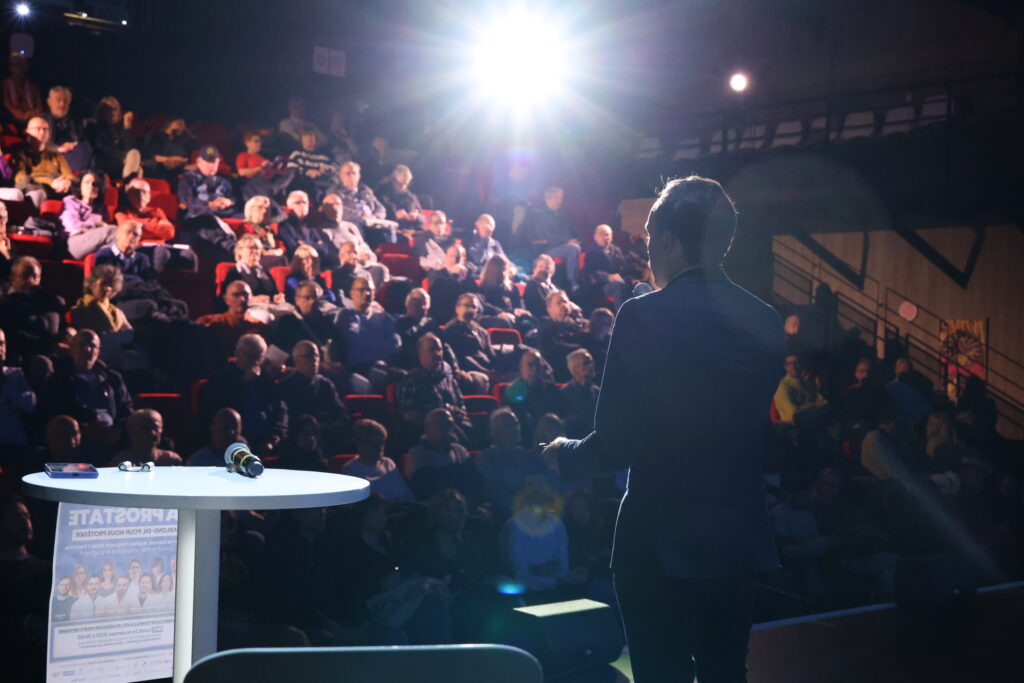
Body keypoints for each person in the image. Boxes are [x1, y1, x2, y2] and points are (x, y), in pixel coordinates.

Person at [542, 175, 785, 683]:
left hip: (661, 538)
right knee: (725, 673)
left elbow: (617, 444)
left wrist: (563, 453)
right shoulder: (764, 320)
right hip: (736, 535)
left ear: (670, 241)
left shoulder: (642, 315)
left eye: (651, 239)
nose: (649, 252)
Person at [198, 334, 287, 456]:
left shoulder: (265, 379)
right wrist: (243, 383)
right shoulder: (221, 377)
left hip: (264, 440)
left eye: (258, 357)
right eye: (250, 356)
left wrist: (275, 437)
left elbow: (281, 411)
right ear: (237, 352)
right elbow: (217, 408)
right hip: (232, 439)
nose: (254, 362)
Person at [396, 333, 470, 429]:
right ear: (420, 354)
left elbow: (461, 404)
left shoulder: (448, 377)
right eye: (431, 350)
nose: (437, 353)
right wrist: (439, 420)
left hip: (455, 427)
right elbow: (409, 415)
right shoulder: (411, 380)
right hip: (427, 431)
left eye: (439, 349)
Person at [0, 256, 64, 363]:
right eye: (25, 276)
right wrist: (49, 347)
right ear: (12, 279)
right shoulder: (4, 305)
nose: (30, 281)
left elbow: (61, 328)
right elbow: (14, 339)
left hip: (55, 354)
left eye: (34, 276)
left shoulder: (53, 302)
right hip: (23, 358)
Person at [195, 280, 269, 361]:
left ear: (251, 298)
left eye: (245, 295)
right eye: (236, 295)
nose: (242, 299)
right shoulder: (210, 322)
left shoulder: (259, 326)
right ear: (226, 299)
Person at [523, 186, 581, 289]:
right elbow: (545, 235)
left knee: (577, 247)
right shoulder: (540, 215)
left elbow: (575, 231)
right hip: (549, 248)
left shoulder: (564, 216)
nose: (559, 201)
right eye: (556, 197)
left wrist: (578, 239)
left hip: (566, 246)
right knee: (573, 248)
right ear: (547, 198)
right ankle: (573, 282)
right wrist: (567, 241)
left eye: (560, 197)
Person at [343, 419, 414, 502]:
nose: (380, 448)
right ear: (360, 444)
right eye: (375, 444)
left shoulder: (388, 463)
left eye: (382, 443)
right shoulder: (351, 470)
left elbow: (407, 495)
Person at [329, 161, 394, 247]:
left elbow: (381, 208)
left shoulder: (366, 190)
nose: (351, 176)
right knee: (359, 225)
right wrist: (361, 216)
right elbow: (338, 210)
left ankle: (386, 253)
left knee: (389, 230)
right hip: (353, 223)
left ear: (359, 176)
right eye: (348, 174)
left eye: (354, 173)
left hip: (372, 222)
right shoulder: (334, 191)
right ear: (340, 176)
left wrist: (375, 217)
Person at [15, 116, 73, 207]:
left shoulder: (56, 155)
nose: (42, 132)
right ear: (28, 132)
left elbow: (68, 175)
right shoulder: (21, 154)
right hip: (35, 188)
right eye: (38, 129)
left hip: (57, 188)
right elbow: (20, 177)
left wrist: (67, 182)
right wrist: (50, 182)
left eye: (45, 129)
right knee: (33, 186)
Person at [505, 348, 561, 442]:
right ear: (521, 368)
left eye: (538, 365)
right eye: (530, 365)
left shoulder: (552, 389)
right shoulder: (513, 392)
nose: (535, 369)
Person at [61, 171, 117, 259]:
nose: (91, 186)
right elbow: (72, 226)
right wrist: (96, 226)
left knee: (115, 246)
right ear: (80, 187)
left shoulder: (101, 208)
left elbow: (104, 231)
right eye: (87, 182)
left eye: (95, 184)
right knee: (113, 230)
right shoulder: (71, 202)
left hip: (94, 245)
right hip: (73, 243)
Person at [537, 289, 587, 383]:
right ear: (549, 309)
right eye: (559, 303)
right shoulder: (545, 327)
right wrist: (580, 348)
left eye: (565, 302)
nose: (563, 305)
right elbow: (553, 350)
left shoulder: (579, 325)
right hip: (560, 373)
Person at [279, 190, 340, 266]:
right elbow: (295, 250)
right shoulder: (284, 226)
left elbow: (325, 249)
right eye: (298, 203)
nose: (302, 205)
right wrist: (316, 245)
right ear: (289, 206)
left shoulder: (311, 227)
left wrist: (305, 244)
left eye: (304, 202)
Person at [0, 327, 36, 454]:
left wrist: (5, 386)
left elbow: (30, 404)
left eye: (2, 343)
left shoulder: (15, 374)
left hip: (14, 442)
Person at [88, 96, 141, 180]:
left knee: (137, 162)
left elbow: (129, 148)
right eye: (108, 109)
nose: (112, 112)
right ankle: (128, 183)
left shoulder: (119, 130)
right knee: (136, 167)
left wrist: (127, 127)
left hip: (121, 163)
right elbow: (101, 146)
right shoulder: (94, 127)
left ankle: (127, 183)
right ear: (101, 111)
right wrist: (124, 157)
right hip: (104, 163)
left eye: (115, 109)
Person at [70, 263, 132, 334]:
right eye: (104, 283)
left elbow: (130, 333)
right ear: (91, 284)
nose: (108, 288)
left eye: (111, 285)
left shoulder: (117, 312)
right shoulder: (78, 310)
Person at [42, 85, 91, 171]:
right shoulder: (41, 121)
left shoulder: (76, 121)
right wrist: (58, 149)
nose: (62, 104)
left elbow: (81, 140)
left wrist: (73, 145)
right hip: (52, 157)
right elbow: (38, 144)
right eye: (58, 100)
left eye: (65, 101)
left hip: (74, 154)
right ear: (49, 102)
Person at [774, 353, 829, 426]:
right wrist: (815, 407)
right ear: (785, 367)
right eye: (789, 364)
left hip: (815, 422)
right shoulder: (782, 386)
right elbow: (794, 414)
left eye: (796, 363)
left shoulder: (808, 383)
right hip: (794, 427)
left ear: (801, 364)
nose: (793, 366)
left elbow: (824, 403)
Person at [113, 408, 183, 466]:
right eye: (145, 428)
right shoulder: (122, 462)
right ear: (131, 431)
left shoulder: (171, 460)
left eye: (155, 427)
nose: (152, 433)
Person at [115, 177, 176, 242]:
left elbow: (170, 233)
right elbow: (127, 233)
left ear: (149, 196)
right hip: (136, 246)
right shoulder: (121, 213)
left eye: (144, 192)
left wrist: (141, 225)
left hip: (159, 246)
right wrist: (155, 225)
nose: (141, 196)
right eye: (136, 192)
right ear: (129, 195)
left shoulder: (157, 211)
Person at [582, 223, 629, 308]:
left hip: (619, 280)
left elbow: (625, 267)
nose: (604, 237)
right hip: (600, 285)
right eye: (601, 234)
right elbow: (591, 272)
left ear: (611, 237)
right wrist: (609, 277)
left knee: (636, 285)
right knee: (618, 286)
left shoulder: (616, 250)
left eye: (607, 235)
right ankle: (622, 314)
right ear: (595, 237)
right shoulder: (591, 252)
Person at [286, 127, 336, 198]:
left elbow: (332, 170)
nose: (309, 138)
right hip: (301, 185)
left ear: (316, 139)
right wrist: (307, 172)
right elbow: (291, 171)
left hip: (319, 186)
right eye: (306, 136)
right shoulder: (296, 154)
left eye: (312, 135)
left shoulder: (323, 157)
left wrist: (323, 171)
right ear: (301, 139)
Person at [560, 348, 599, 439]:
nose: (591, 365)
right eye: (586, 363)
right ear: (575, 369)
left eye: (591, 362)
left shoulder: (598, 393)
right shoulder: (564, 394)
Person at [376, 164, 424, 232]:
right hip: (390, 230)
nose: (403, 186)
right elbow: (377, 214)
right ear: (393, 180)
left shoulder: (410, 197)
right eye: (400, 184)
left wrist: (416, 216)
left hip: (411, 230)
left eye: (406, 184)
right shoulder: (380, 194)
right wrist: (394, 215)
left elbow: (423, 217)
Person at [240, 195, 285, 262]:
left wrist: (279, 251)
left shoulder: (269, 229)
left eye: (267, 208)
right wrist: (264, 252)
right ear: (250, 210)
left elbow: (280, 245)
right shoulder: (244, 227)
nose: (264, 211)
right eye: (260, 207)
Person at [2, 53, 42, 122]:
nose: (19, 68)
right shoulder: (4, 85)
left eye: (21, 64)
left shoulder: (33, 87)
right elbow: (7, 104)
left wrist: (31, 115)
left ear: (26, 67)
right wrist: (22, 116)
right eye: (15, 65)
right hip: (11, 121)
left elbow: (39, 108)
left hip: (32, 120)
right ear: (10, 67)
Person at [523, 254, 558, 318]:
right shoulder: (532, 285)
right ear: (534, 269)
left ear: (552, 271)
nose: (543, 270)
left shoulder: (555, 288)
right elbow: (539, 307)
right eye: (540, 267)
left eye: (547, 268)